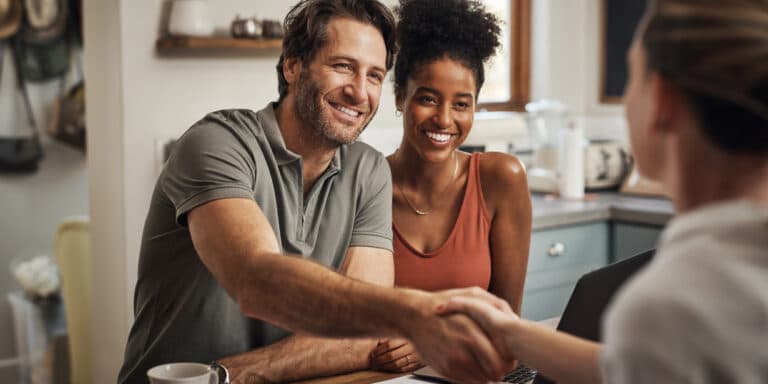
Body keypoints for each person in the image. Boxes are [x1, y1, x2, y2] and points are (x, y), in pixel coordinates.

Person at [117, 1, 510, 383]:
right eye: (343, 66)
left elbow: (363, 334)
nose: (359, 92)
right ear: (293, 65)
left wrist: (229, 375)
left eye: (374, 75)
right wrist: (414, 312)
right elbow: (256, 281)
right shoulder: (216, 144)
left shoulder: (368, 171)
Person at [439, 0, 768, 382]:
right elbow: (630, 369)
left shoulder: (669, 307)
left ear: (660, 101)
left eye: (631, 79)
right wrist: (511, 334)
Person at [369, 0, 532, 373]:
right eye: (427, 98)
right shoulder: (366, 184)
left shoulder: (501, 180)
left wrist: (428, 343)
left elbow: (507, 325)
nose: (444, 120)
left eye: (462, 104)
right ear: (399, 97)